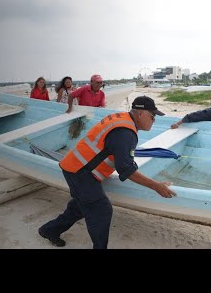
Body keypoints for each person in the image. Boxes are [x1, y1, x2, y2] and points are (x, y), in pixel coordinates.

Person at [38, 95, 177, 249]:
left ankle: (49, 230)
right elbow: (127, 169)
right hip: (81, 172)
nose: (154, 120)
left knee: (81, 205)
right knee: (101, 210)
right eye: (153, 116)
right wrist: (156, 186)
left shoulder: (123, 120)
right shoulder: (125, 133)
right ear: (140, 113)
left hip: (75, 166)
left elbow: (118, 156)